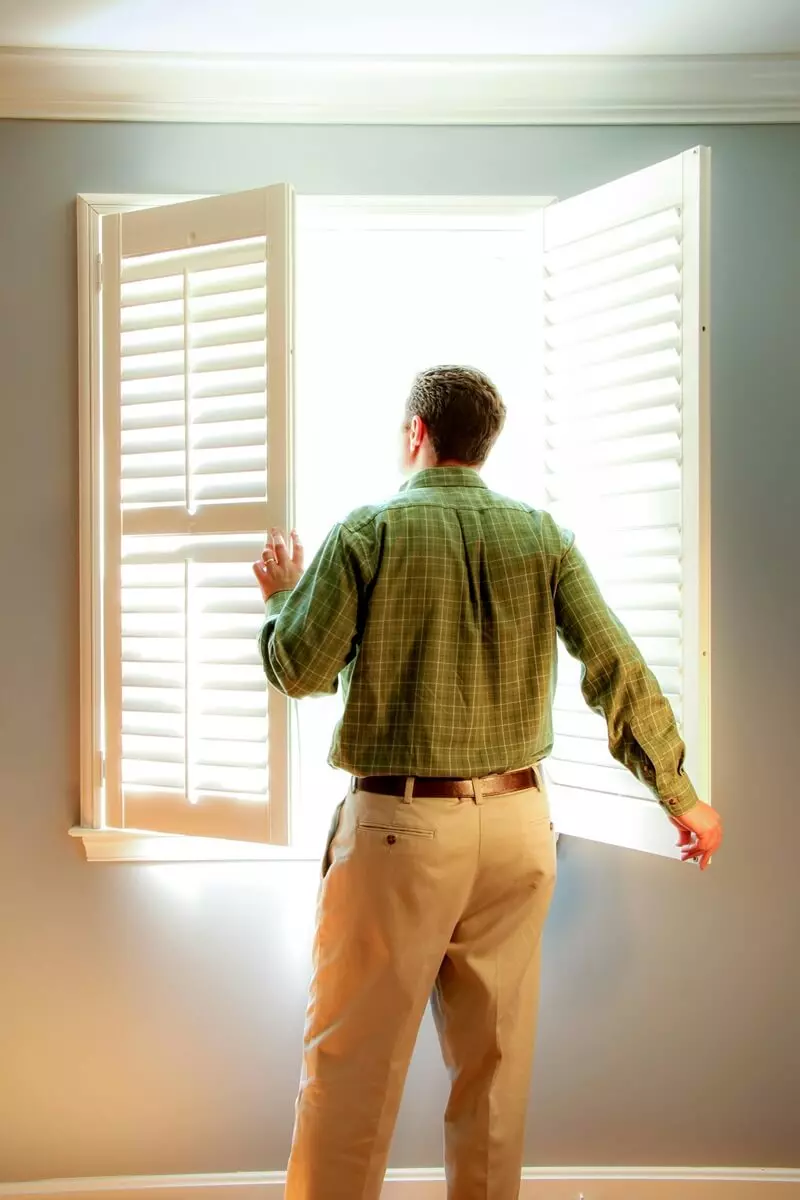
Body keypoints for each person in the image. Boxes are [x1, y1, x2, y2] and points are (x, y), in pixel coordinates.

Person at [253, 365, 723, 1200]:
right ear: (484, 444)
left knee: (352, 1070)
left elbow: (299, 669)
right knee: (495, 1076)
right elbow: (614, 663)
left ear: (416, 435)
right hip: (517, 829)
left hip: (401, 829)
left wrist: (283, 597)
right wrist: (680, 793)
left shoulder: (369, 531)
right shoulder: (542, 537)